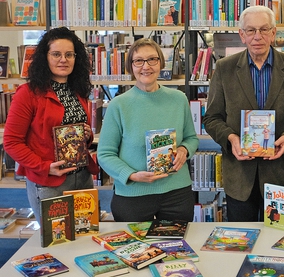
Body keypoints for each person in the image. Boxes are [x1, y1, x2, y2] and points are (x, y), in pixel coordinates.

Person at [203, 5, 284, 222]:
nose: (258, 36)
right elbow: (212, 118)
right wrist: (231, 138)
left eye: (264, 30)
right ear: (241, 35)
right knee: (241, 240)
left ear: (274, 33)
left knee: (277, 239)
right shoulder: (224, 69)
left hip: (279, 172)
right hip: (239, 175)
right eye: (251, 30)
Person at [3, 27, 99, 225]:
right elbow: (12, 142)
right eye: (56, 54)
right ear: (44, 57)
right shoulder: (28, 94)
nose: (63, 59)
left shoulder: (78, 90)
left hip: (82, 178)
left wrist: (87, 135)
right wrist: (44, 167)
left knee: (84, 235)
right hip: (49, 181)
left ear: (76, 58)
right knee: (56, 240)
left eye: (69, 54)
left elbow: (78, 133)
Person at [97, 38, 199, 222]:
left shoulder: (179, 99)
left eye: (152, 59)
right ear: (131, 66)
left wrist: (184, 150)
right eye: (139, 61)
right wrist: (132, 175)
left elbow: (191, 138)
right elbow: (104, 154)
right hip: (132, 194)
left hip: (176, 192)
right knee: (134, 249)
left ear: (161, 63)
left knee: (176, 248)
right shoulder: (118, 105)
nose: (146, 66)